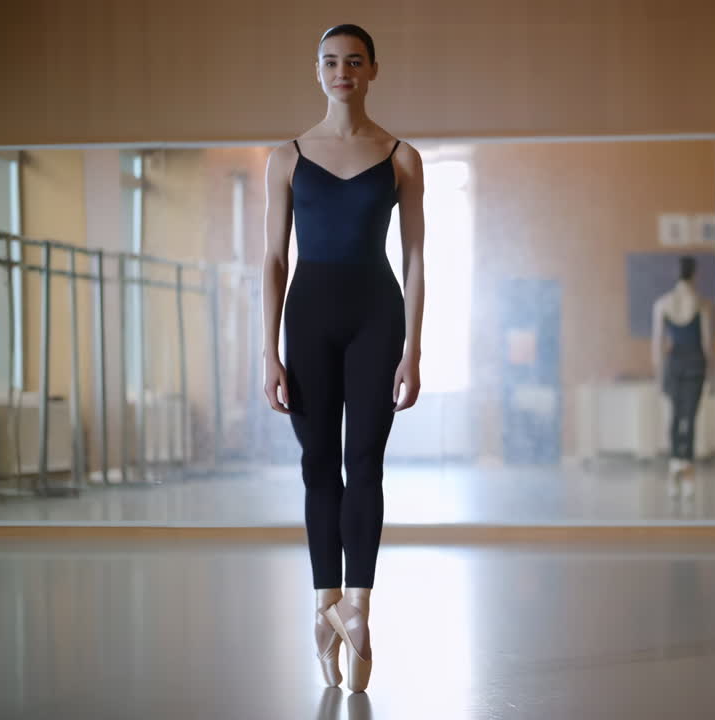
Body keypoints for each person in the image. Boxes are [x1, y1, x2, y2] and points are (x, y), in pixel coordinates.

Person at [261, 23, 425, 693]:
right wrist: (268, 352)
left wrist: (413, 348)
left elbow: (415, 258)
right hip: (307, 318)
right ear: (318, 71)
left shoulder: (400, 156)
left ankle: (357, 605)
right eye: (331, 62)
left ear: (372, 70)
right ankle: (322, 603)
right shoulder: (288, 156)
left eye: (354, 62)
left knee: (366, 463)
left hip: (377, 317)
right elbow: (273, 258)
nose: (342, 72)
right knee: (317, 466)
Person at [651, 256, 713, 498]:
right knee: (689, 419)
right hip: (695, 364)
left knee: (676, 417)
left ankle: (674, 470)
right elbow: (707, 345)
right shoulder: (702, 304)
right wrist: (713, 376)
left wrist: (659, 377)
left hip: (674, 366)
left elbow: (657, 347)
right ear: (694, 274)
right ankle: (686, 474)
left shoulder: (662, 304)